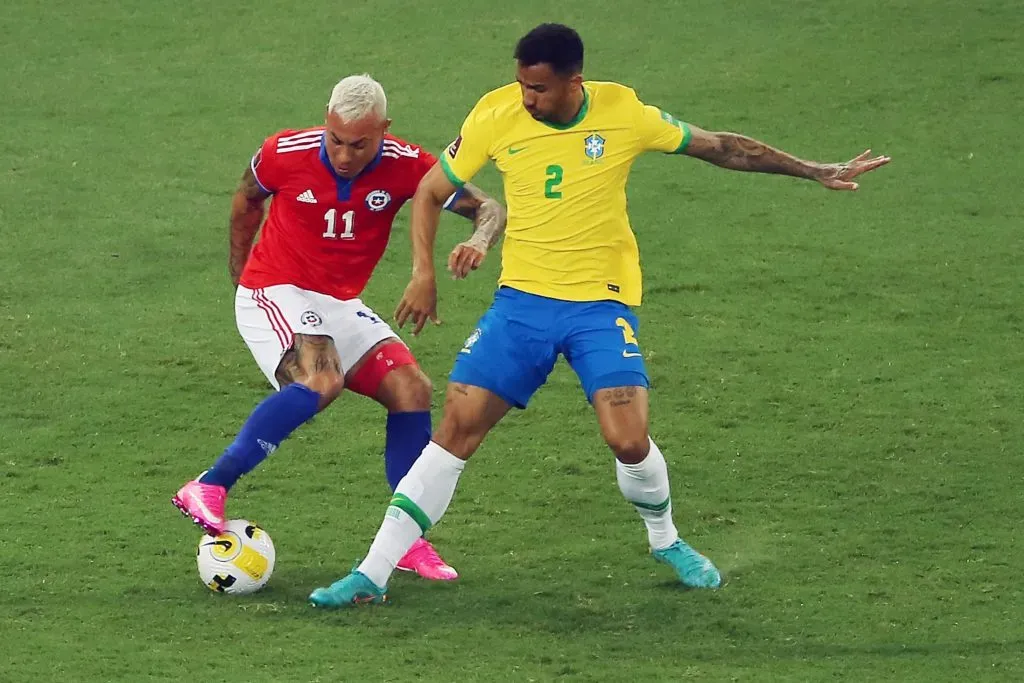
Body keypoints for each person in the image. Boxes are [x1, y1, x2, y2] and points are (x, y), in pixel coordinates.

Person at [309, 25, 890, 606]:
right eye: (521, 84)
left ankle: (665, 540)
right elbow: (432, 190)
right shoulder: (496, 113)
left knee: (628, 439)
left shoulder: (622, 112)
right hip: (522, 305)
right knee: (455, 431)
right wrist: (423, 273)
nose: (527, 98)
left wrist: (812, 169)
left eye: (538, 88)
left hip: (599, 306)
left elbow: (721, 146)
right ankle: (372, 574)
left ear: (574, 82)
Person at [171, 74, 506, 581]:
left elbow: (488, 206)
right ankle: (210, 484)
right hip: (276, 287)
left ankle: (406, 542)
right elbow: (245, 202)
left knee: (412, 389)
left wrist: (480, 240)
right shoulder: (284, 152)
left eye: (359, 144)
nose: (345, 156)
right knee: (321, 379)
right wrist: (242, 279)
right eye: (336, 140)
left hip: (338, 302)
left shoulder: (407, 165)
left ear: (384, 130)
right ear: (326, 123)